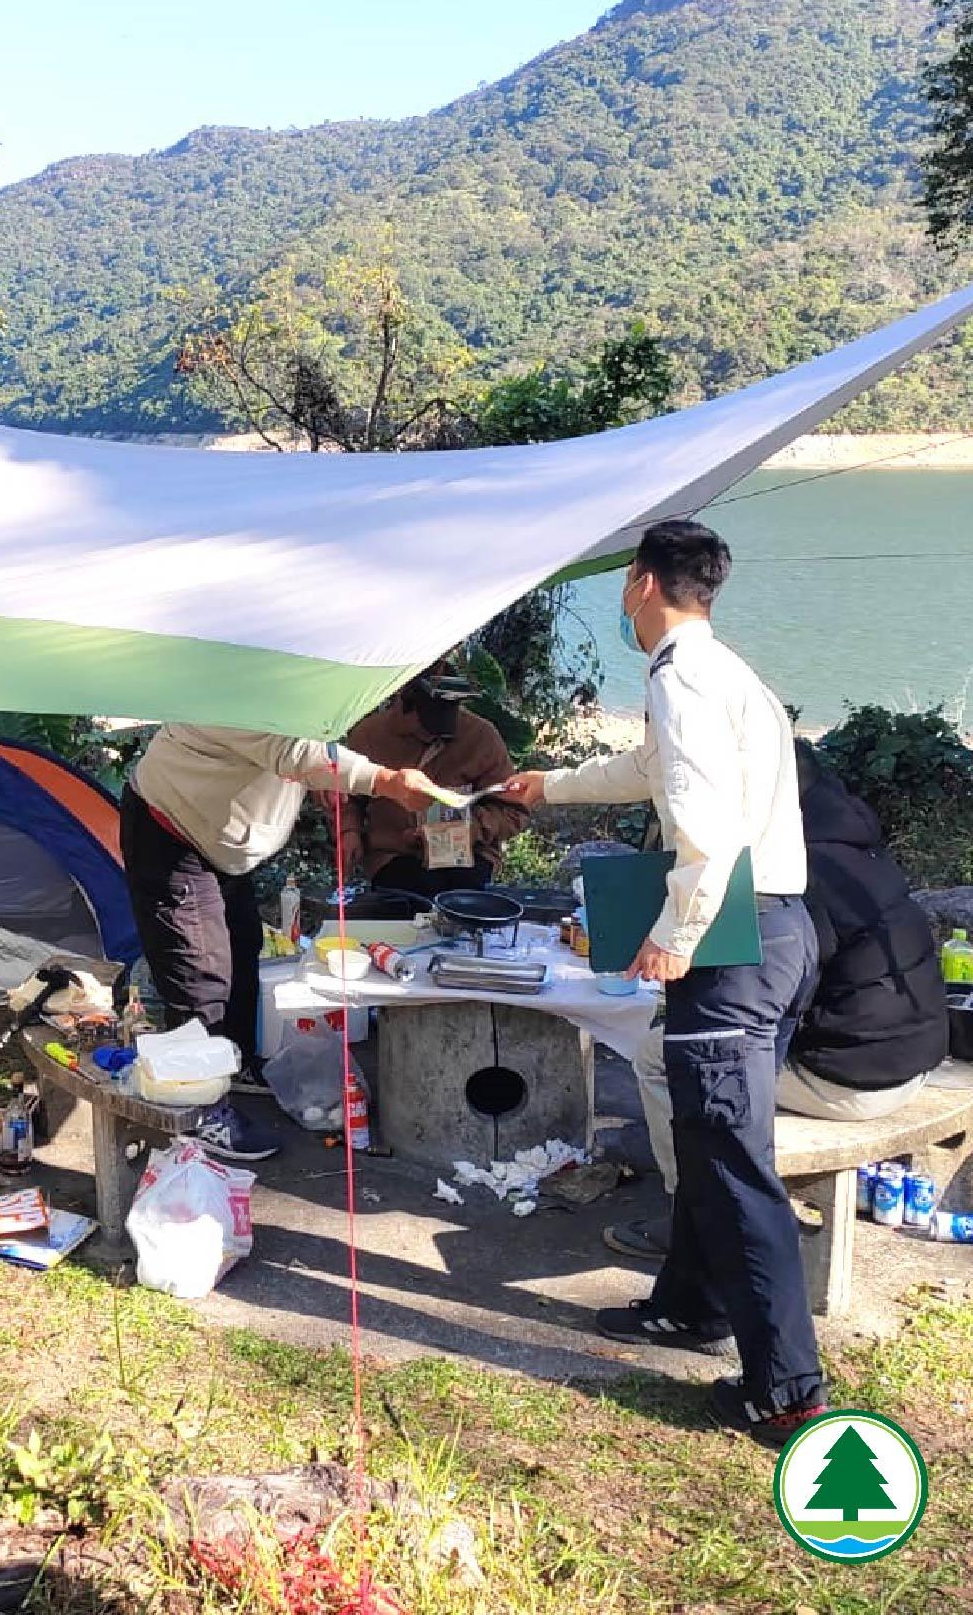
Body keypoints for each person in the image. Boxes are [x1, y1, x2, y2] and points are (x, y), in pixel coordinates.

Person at [504, 519, 826, 1446]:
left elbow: (707, 827)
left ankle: (787, 1391)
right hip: (777, 930)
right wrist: (551, 785)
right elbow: (650, 769)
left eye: (626, 582)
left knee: (733, 1165)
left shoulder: (680, 678)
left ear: (641, 583)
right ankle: (690, 1306)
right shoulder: (726, 673)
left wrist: (676, 935)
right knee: (705, 1136)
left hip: (732, 942)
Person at [608, 740, 949, 1260]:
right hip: (911, 1059)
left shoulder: (797, 872)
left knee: (664, 1053)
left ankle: (694, 1222)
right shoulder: (854, 847)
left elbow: (769, 998)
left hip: (854, 1079)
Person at [122, 722, 444, 1161]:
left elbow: (305, 745)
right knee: (199, 974)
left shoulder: (289, 698)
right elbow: (293, 752)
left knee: (242, 946)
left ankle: (233, 1062)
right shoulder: (235, 697)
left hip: (217, 835)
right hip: (170, 830)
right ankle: (201, 1111)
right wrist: (387, 782)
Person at [332, 663, 530, 897]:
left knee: (462, 901)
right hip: (394, 856)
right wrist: (349, 831)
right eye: (428, 723)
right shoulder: (368, 736)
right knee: (409, 897)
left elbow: (514, 811)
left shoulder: (482, 737)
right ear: (404, 705)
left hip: (468, 857)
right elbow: (346, 796)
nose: (436, 733)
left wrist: (471, 830)